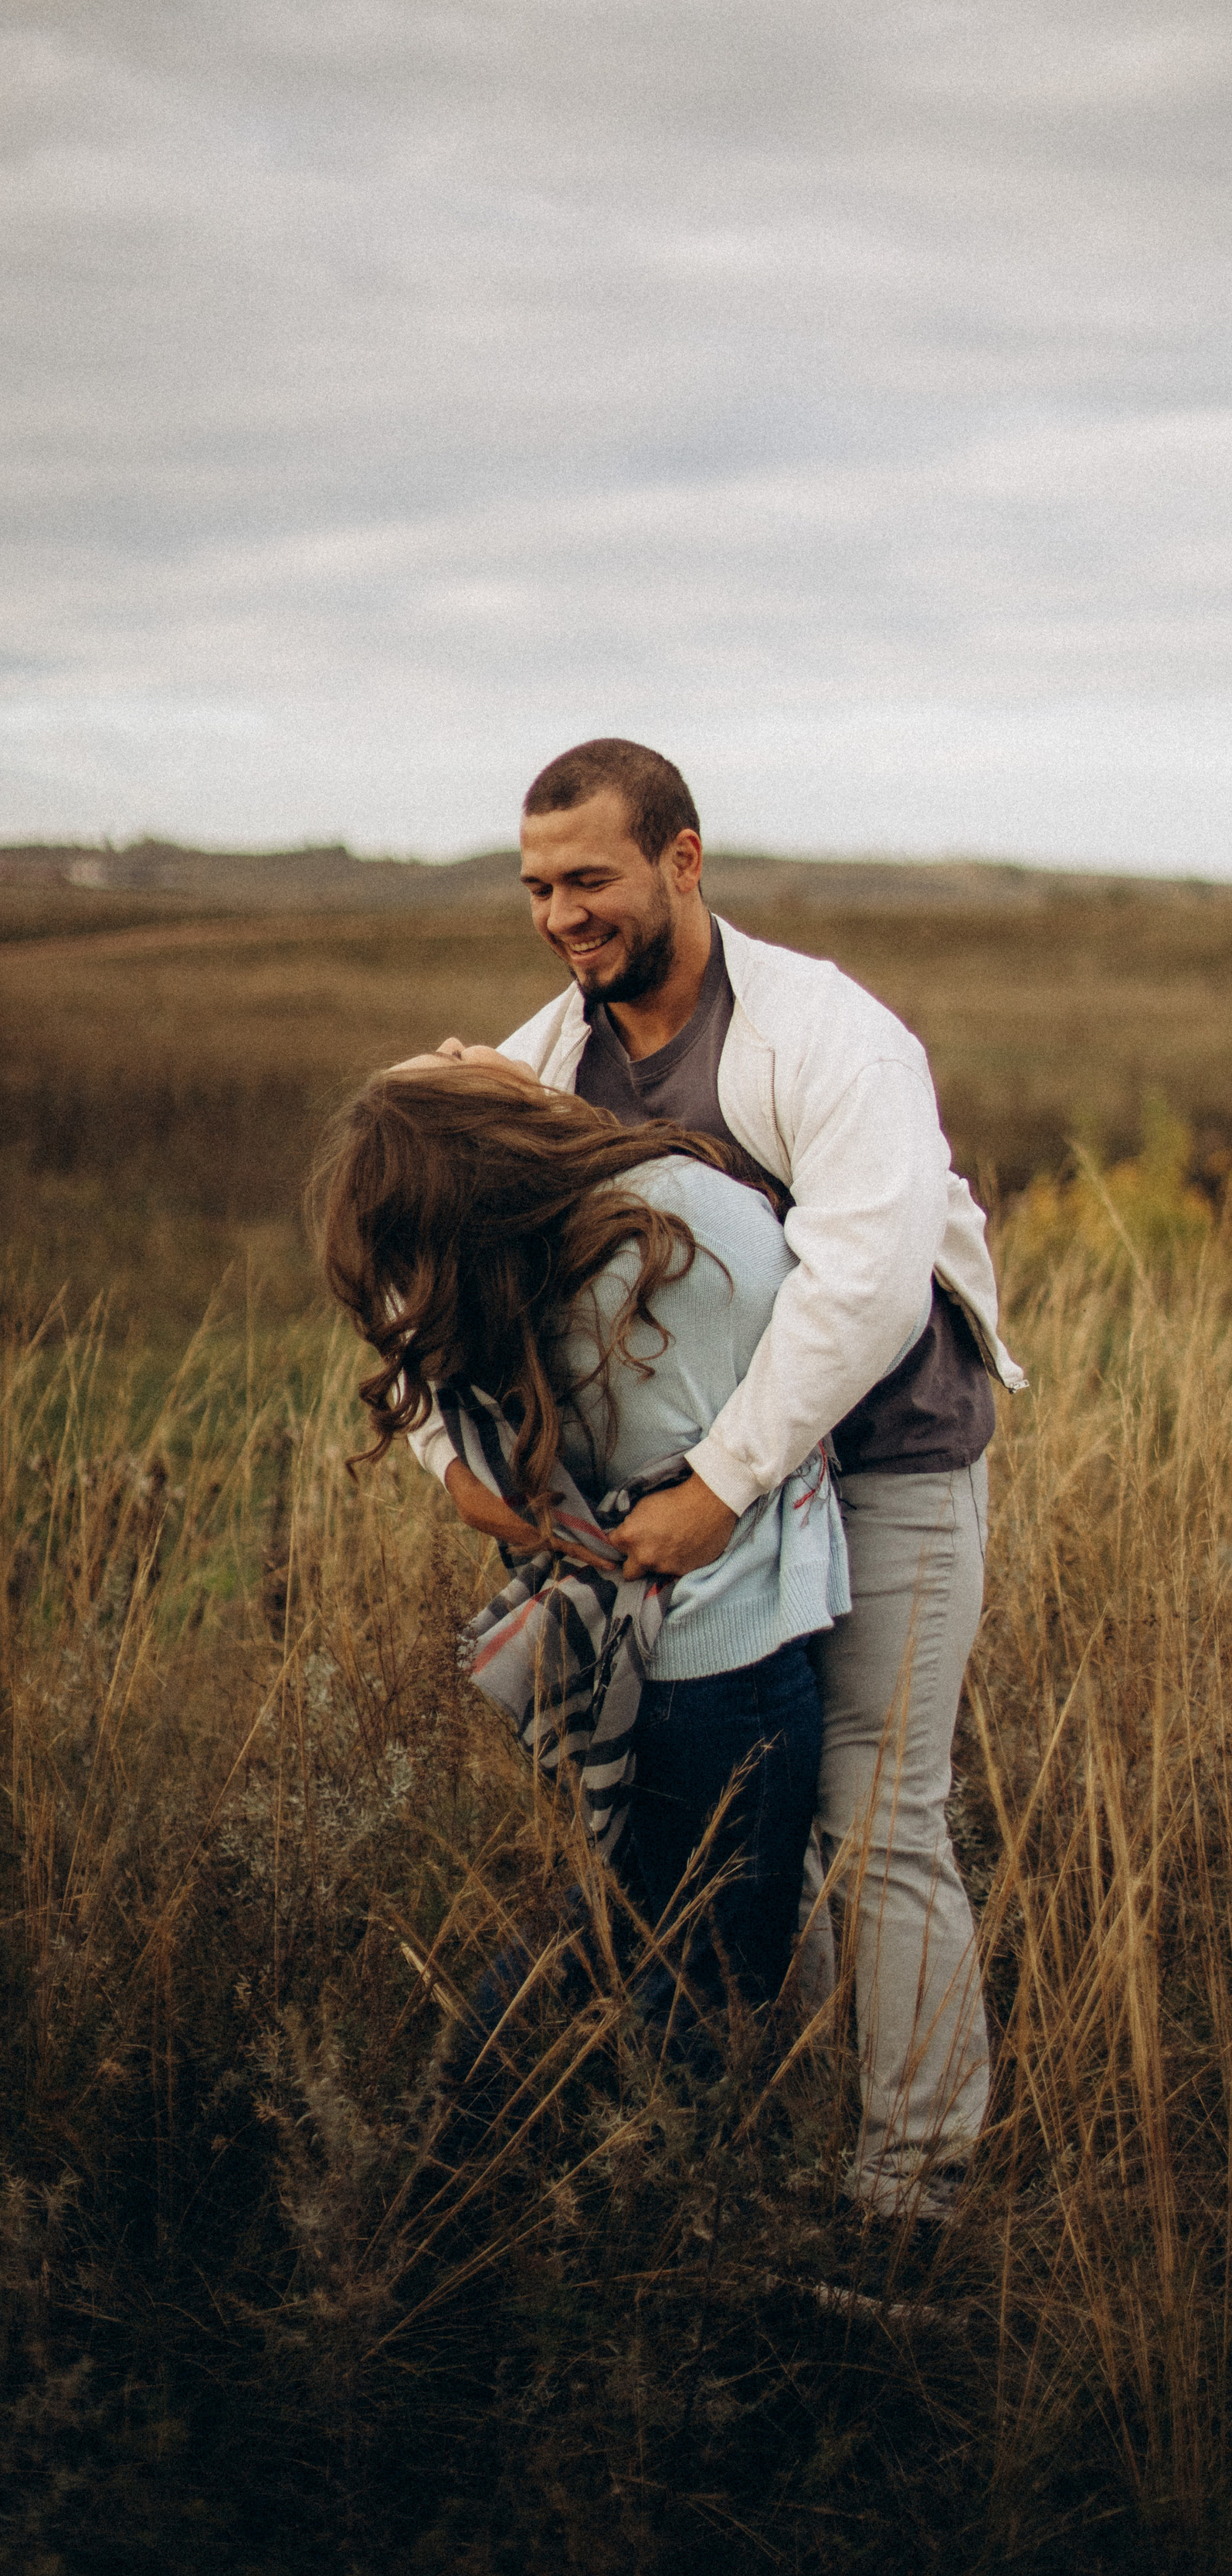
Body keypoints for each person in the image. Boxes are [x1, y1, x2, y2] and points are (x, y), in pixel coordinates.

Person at [404, 737, 1023, 2221]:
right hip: (692, 1520)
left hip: (881, 1467)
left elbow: (864, 1292)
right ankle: (786, 2126)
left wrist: (723, 1488)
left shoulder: (829, 1036)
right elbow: (431, 1262)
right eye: (540, 887)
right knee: (757, 1817)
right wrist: (449, 1460)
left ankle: (914, 2194)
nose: (563, 915)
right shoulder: (544, 1064)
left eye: (593, 879)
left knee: (879, 1822)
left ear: (683, 860)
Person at [312, 1054, 850, 2101]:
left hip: (629, 1660)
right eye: (457, 1062)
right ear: (500, 1130)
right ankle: (599, 2164)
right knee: (711, 1968)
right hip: (735, 1662)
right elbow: (841, 1324)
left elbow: (401, 1282)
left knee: (626, 1913)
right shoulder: (672, 1216)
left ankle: (465, 2115)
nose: (478, 1044)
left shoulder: (489, 1278)